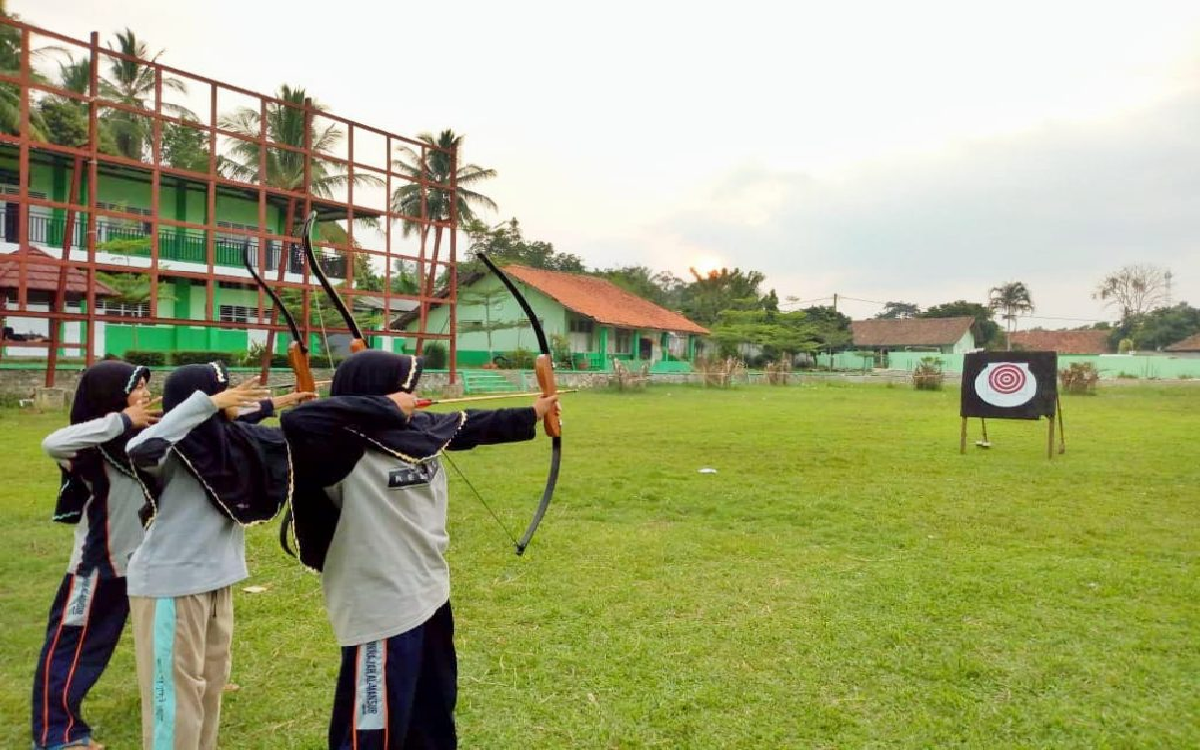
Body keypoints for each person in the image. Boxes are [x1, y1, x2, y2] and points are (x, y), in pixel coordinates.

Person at [280, 350, 559, 750]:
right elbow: (296, 419)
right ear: (376, 398)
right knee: (371, 736)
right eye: (403, 391)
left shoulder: (416, 431)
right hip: (380, 609)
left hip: (430, 595)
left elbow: (473, 425)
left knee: (432, 716)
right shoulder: (333, 450)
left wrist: (534, 411)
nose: (413, 398)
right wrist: (384, 408)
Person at [124, 362, 311, 750]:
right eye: (224, 394)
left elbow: (245, 423)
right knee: (176, 698)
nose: (233, 403)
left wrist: (277, 403)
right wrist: (204, 404)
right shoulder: (172, 449)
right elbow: (139, 447)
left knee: (209, 688)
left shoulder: (226, 443)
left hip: (217, 580)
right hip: (170, 585)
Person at [33, 360, 159, 750]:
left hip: (143, 564)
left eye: (144, 387)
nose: (145, 395)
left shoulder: (140, 442)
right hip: (97, 567)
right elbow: (52, 442)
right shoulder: (90, 448)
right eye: (136, 388)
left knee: (163, 639)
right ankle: (58, 733)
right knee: (75, 650)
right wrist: (122, 420)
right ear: (112, 397)